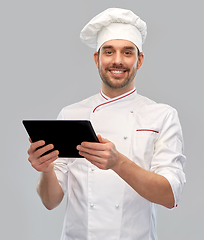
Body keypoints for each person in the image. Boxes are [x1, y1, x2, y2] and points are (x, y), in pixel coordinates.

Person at [27, 8, 186, 240]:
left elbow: (170, 196)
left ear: (139, 60)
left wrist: (117, 162)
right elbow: (51, 201)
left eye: (128, 52)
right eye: (109, 52)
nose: (118, 61)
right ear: (97, 59)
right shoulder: (71, 114)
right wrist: (46, 169)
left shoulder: (162, 116)